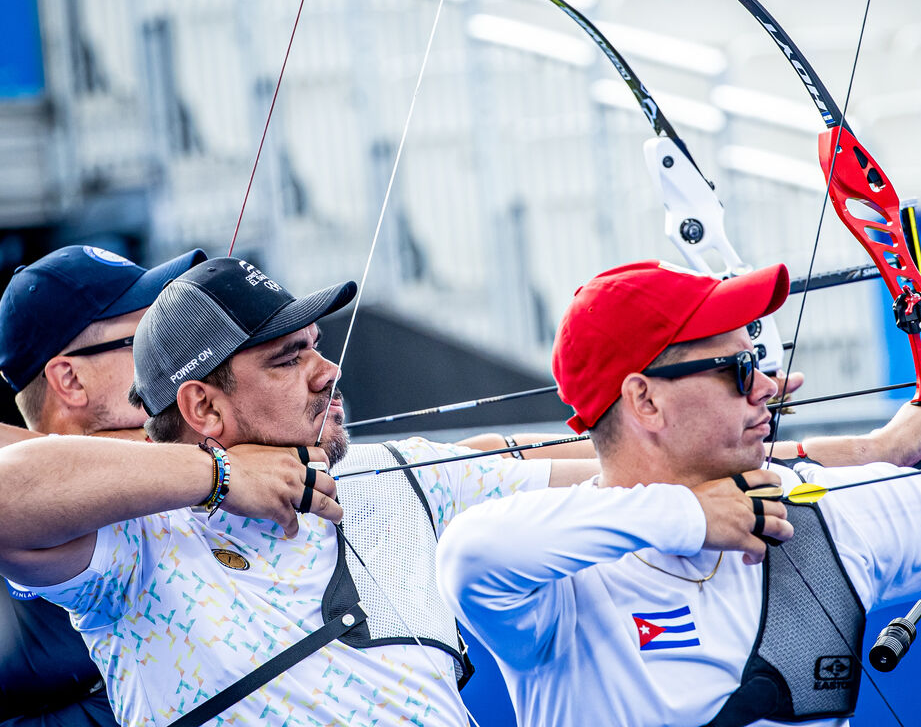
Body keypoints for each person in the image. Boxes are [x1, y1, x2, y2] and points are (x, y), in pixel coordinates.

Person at [435, 259, 921, 727]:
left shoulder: (820, 513)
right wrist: (686, 515)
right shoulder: (562, 584)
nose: (769, 386)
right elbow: (469, 553)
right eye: (741, 367)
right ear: (644, 402)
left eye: (764, 362)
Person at [0, 256, 602, 727]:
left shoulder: (390, 474)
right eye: (289, 359)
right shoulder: (139, 540)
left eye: (315, 344)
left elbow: (618, 468)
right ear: (203, 406)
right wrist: (222, 477)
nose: (328, 370)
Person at [0, 244, 205, 727]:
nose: (171, 348)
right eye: (142, 339)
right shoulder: (28, 494)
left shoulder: (171, 455)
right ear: (69, 379)